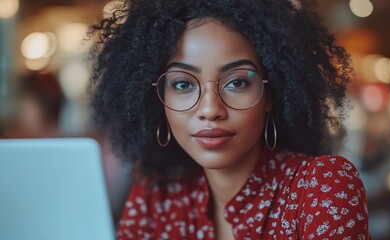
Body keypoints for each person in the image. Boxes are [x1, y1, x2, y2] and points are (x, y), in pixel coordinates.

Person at [89, 0, 369, 239]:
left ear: (271, 94)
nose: (210, 109)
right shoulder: (156, 195)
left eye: (236, 82)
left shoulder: (321, 187)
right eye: (184, 84)